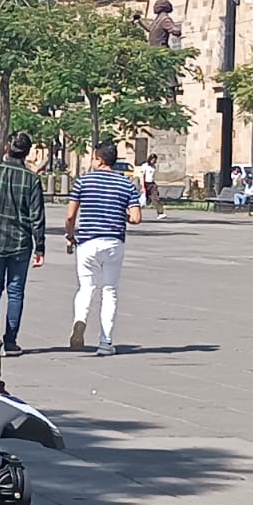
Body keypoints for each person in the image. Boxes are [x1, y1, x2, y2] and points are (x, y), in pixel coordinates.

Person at [0, 133, 46, 356]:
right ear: (27, 152)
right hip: (20, 243)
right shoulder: (31, 179)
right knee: (16, 291)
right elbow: (37, 217)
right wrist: (40, 247)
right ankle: (11, 341)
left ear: (7, 148)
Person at [66, 141, 143, 356]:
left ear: (99, 160)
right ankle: (106, 342)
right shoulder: (126, 184)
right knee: (109, 290)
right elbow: (136, 218)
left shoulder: (83, 181)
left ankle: (80, 319)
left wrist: (70, 236)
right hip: (113, 242)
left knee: (86, 286)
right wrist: (122, 213)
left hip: (88, 241)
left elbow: (70, 215)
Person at [138, 153, 164, 219]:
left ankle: (160, 213)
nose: (153, 161)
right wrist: (143, 187)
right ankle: (135, 212)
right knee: (142, 201)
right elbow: (142, 176)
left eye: (155, 160)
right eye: (152, 160)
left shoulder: (154, 167)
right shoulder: (145, 166)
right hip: (145, 183)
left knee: (155, 197)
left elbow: (152, 176)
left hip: (151, 184)